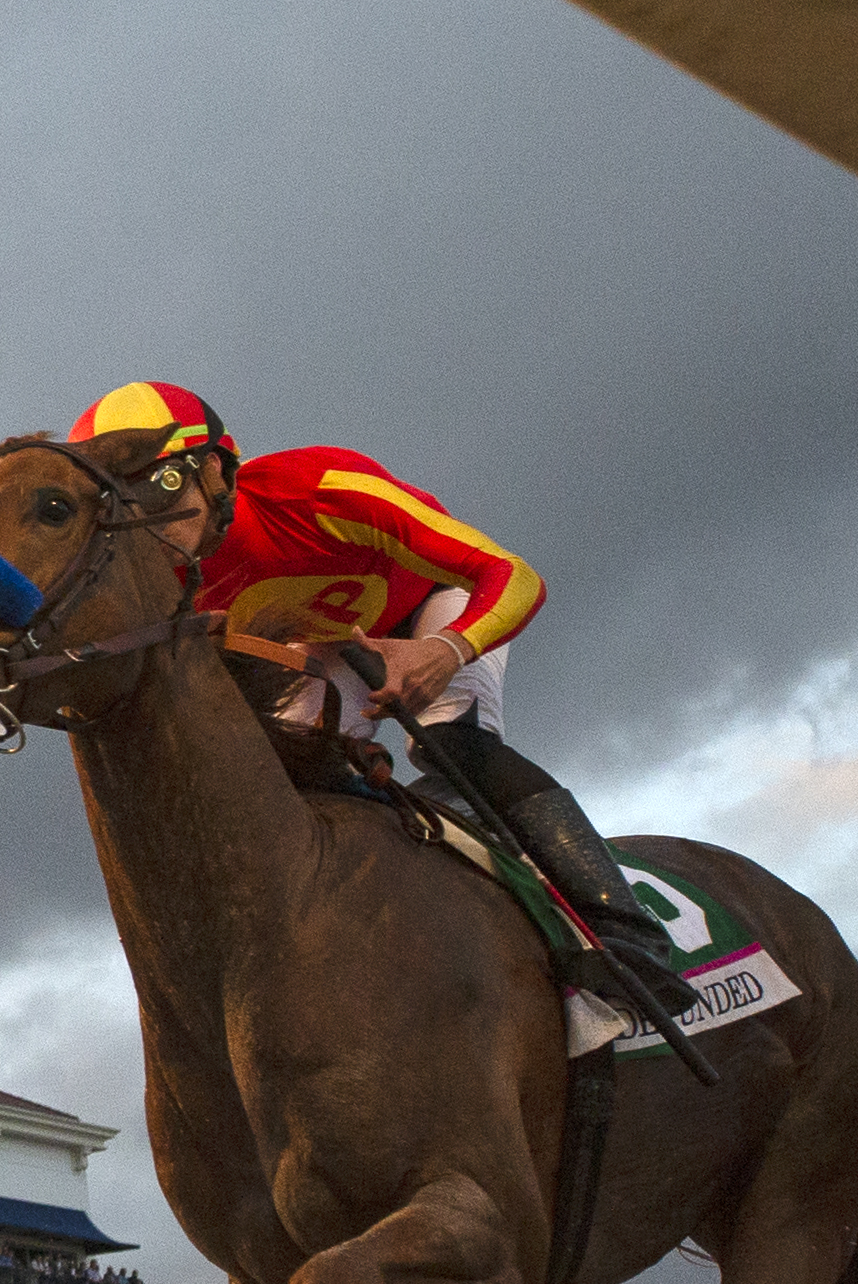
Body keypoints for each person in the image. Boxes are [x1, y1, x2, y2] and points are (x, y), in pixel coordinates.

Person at [65, 381, 699, 1038]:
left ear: (216, 472)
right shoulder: (153, 580)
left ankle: (625, 933)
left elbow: (513, 576)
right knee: (281, 782)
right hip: (327, 639)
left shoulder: (320, 490)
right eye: (125, 501)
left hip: (438, 608)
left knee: (449, 748)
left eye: (163, 488)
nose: (151, 523)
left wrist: (444, 652)